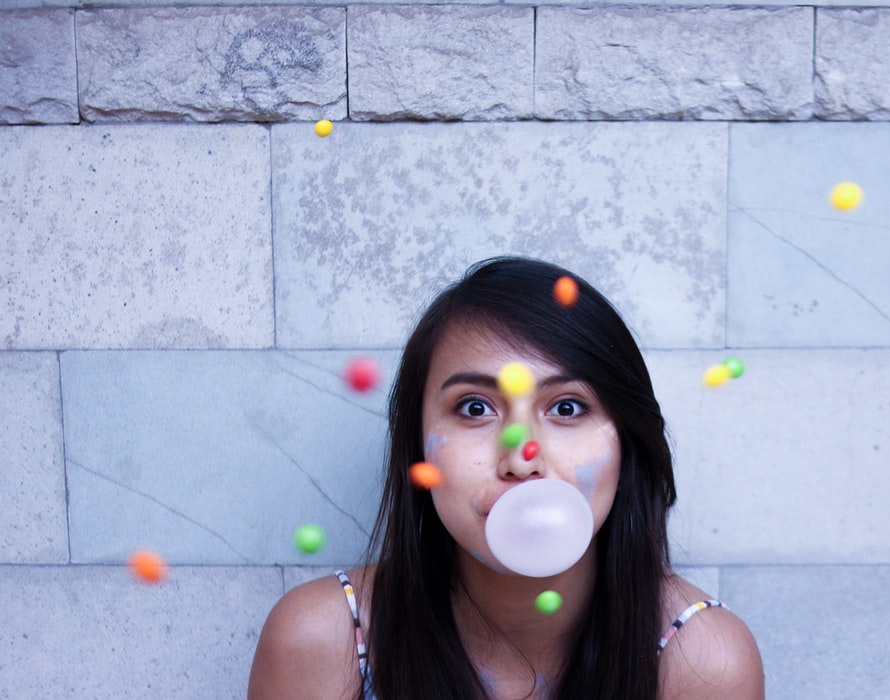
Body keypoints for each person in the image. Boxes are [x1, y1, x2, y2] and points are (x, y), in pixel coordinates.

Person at [248, 257, 764, 699]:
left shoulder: (703, 659)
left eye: (567, 406)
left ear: (627, 443)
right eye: (475, 408)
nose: (521, 458)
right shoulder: (322, 639)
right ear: (418, 448)